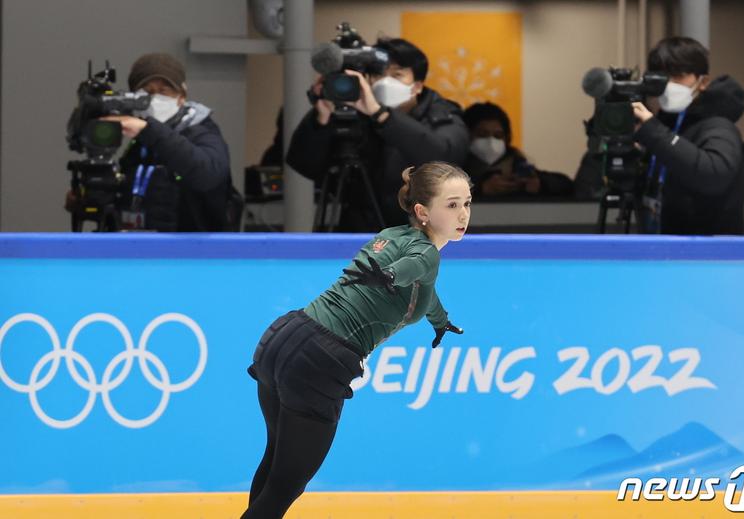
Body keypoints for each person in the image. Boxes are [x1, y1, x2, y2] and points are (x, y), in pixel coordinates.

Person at [243, 162, 471, 519]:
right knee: (285, 485)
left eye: (467, 203)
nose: (463, 214)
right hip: (320, 359)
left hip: (284, 336)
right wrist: (392, 275)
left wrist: (440, 322)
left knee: (276, 470)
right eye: (453, 204)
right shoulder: (424, 253)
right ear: (423, 211)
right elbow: (412, 267)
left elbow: (425, 287)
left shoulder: (394, 235)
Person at [286, 37, 470, 232]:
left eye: (397, 75)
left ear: (417, 85)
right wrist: (321, 118)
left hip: (420, 232)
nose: (385, 83)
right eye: (378, 75)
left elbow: (446, 156)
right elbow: (303, 165)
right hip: (359, 231)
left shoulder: (441, 113)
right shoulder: (352, 111)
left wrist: (380, 115)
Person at [74, 53, 233, 231]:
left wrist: (146, 129)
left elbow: (208, 173)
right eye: (147, 93)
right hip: (141, 250)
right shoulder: (139, 144)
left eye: (164, 91)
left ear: (182, 95)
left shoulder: (201, 132)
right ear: (133, 99)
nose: (156, 99)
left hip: (193, 254)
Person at [632, 36, 744, 235]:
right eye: (663, 76)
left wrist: (654, 132)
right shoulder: (663, 125)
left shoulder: (719, 126)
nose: (669, 84)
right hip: (663, 246)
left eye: (678, 75)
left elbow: (714, 175)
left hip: (707, 255)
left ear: (703, 82)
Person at [462, 102, 573, 197]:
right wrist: (480, 189)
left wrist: (541, 184)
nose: (491, 141)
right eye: (482, 134)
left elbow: (566, 185)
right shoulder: (457, 169)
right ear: (466, 135)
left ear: (507, 139)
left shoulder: (518, 166)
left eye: (498, 135)